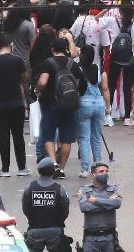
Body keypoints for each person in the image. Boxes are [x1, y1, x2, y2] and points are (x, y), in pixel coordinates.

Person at [35, 37, 86, 178]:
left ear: (52, 49)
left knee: (48, 135)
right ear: (65, 48)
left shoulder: (48, 63)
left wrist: (37, 90)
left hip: (50, 103)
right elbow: (78, 84)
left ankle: (53, 162)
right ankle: (62, 169)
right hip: (69, 105)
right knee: (66, 139)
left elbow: (43, 81)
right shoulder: (72, 64)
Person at [0, 33, 30, 176]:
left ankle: (5, 169)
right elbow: (25, 77)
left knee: (3, 136)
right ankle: (22, 168)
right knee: (18, 135)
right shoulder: (18, 60)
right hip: (16, 102)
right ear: (11, 45)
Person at [75, 44, 112, 178]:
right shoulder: (99, 68)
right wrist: (108, 109)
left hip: (84, 102)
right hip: (99, 103)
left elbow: (76, 87)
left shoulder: (77, 68)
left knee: (84, 138)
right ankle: (99, 167)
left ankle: (85, 169)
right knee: (96, 137)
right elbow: (105, 88)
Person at [22, 158, 72, 252]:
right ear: (53, 171)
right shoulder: (60, 189)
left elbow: (25, 208)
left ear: (39, 171)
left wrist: (33, 220)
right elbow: (65, 210)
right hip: (55, 230)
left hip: (34, 229)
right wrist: (58, 222)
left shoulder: (29, 188)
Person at [78, 162, 122, 252]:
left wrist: (95, 201)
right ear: (93, 174)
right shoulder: (83, 190)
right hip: (90, 238)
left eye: (106, 171)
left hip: (109, 237)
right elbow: (84, 207)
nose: (105, 173)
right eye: (101, 171)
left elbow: (117, 203)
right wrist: (108, 203)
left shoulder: (114, 188)